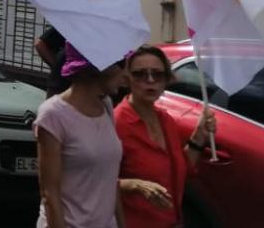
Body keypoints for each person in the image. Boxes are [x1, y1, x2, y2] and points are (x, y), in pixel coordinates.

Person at [116, 45, 216, 228]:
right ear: (127, 78)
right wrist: (135, 185)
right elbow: (96, 183)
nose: (150, 80)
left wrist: (200, 134)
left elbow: (180, 170)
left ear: (167, 79)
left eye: (158, 74)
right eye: (140, 74)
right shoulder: (117, 124)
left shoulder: (166, 120)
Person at [35, 43, 130, 228]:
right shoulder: (53, 114)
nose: (126, 76)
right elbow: (49, 192)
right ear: (98, 66)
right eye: (121, 65)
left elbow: (111, 180)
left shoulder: (107, 106)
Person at [35, 26, 71, 97]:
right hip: (61, 84)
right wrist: (57, 67)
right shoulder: (70, 25)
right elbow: (39, 44)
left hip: (79, 86)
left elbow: (39, 44)